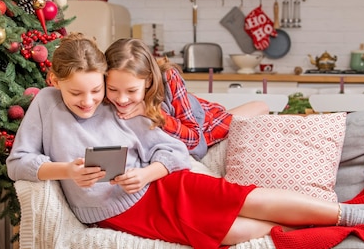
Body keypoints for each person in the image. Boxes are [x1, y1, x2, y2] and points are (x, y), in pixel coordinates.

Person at [6, 32, 364, 249]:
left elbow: (173, 153)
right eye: (79, 92)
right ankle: (338, 229)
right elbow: (19, 163)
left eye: (98, 89)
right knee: (239, 232)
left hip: (158, 189)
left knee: (248, 201)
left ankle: (360, 215)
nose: (91, 100)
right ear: (55, 81)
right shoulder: (45, 104)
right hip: (120, 215)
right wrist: (65, 171)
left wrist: (146, 173)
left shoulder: (118, 110)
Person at [105, 38, 268, 160]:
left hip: (203, 121)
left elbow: (196, 142)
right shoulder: (100, 92)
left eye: (132, 90)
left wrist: (153, 113)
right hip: (191, 110)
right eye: (112, 89)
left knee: (261, 107)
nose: (122, 99)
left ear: (148, 81)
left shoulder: (168, 78)